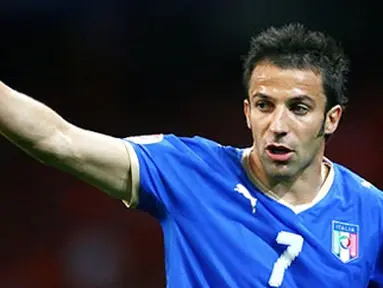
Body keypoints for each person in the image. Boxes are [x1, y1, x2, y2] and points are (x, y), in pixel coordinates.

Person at [1, 23, 382, 287]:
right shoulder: (190, 172)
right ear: (247, 112)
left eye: (298, 108)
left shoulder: (371, 213)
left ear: (331, 119)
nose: (277, 125)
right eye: (265, 105)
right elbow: (55, 140)